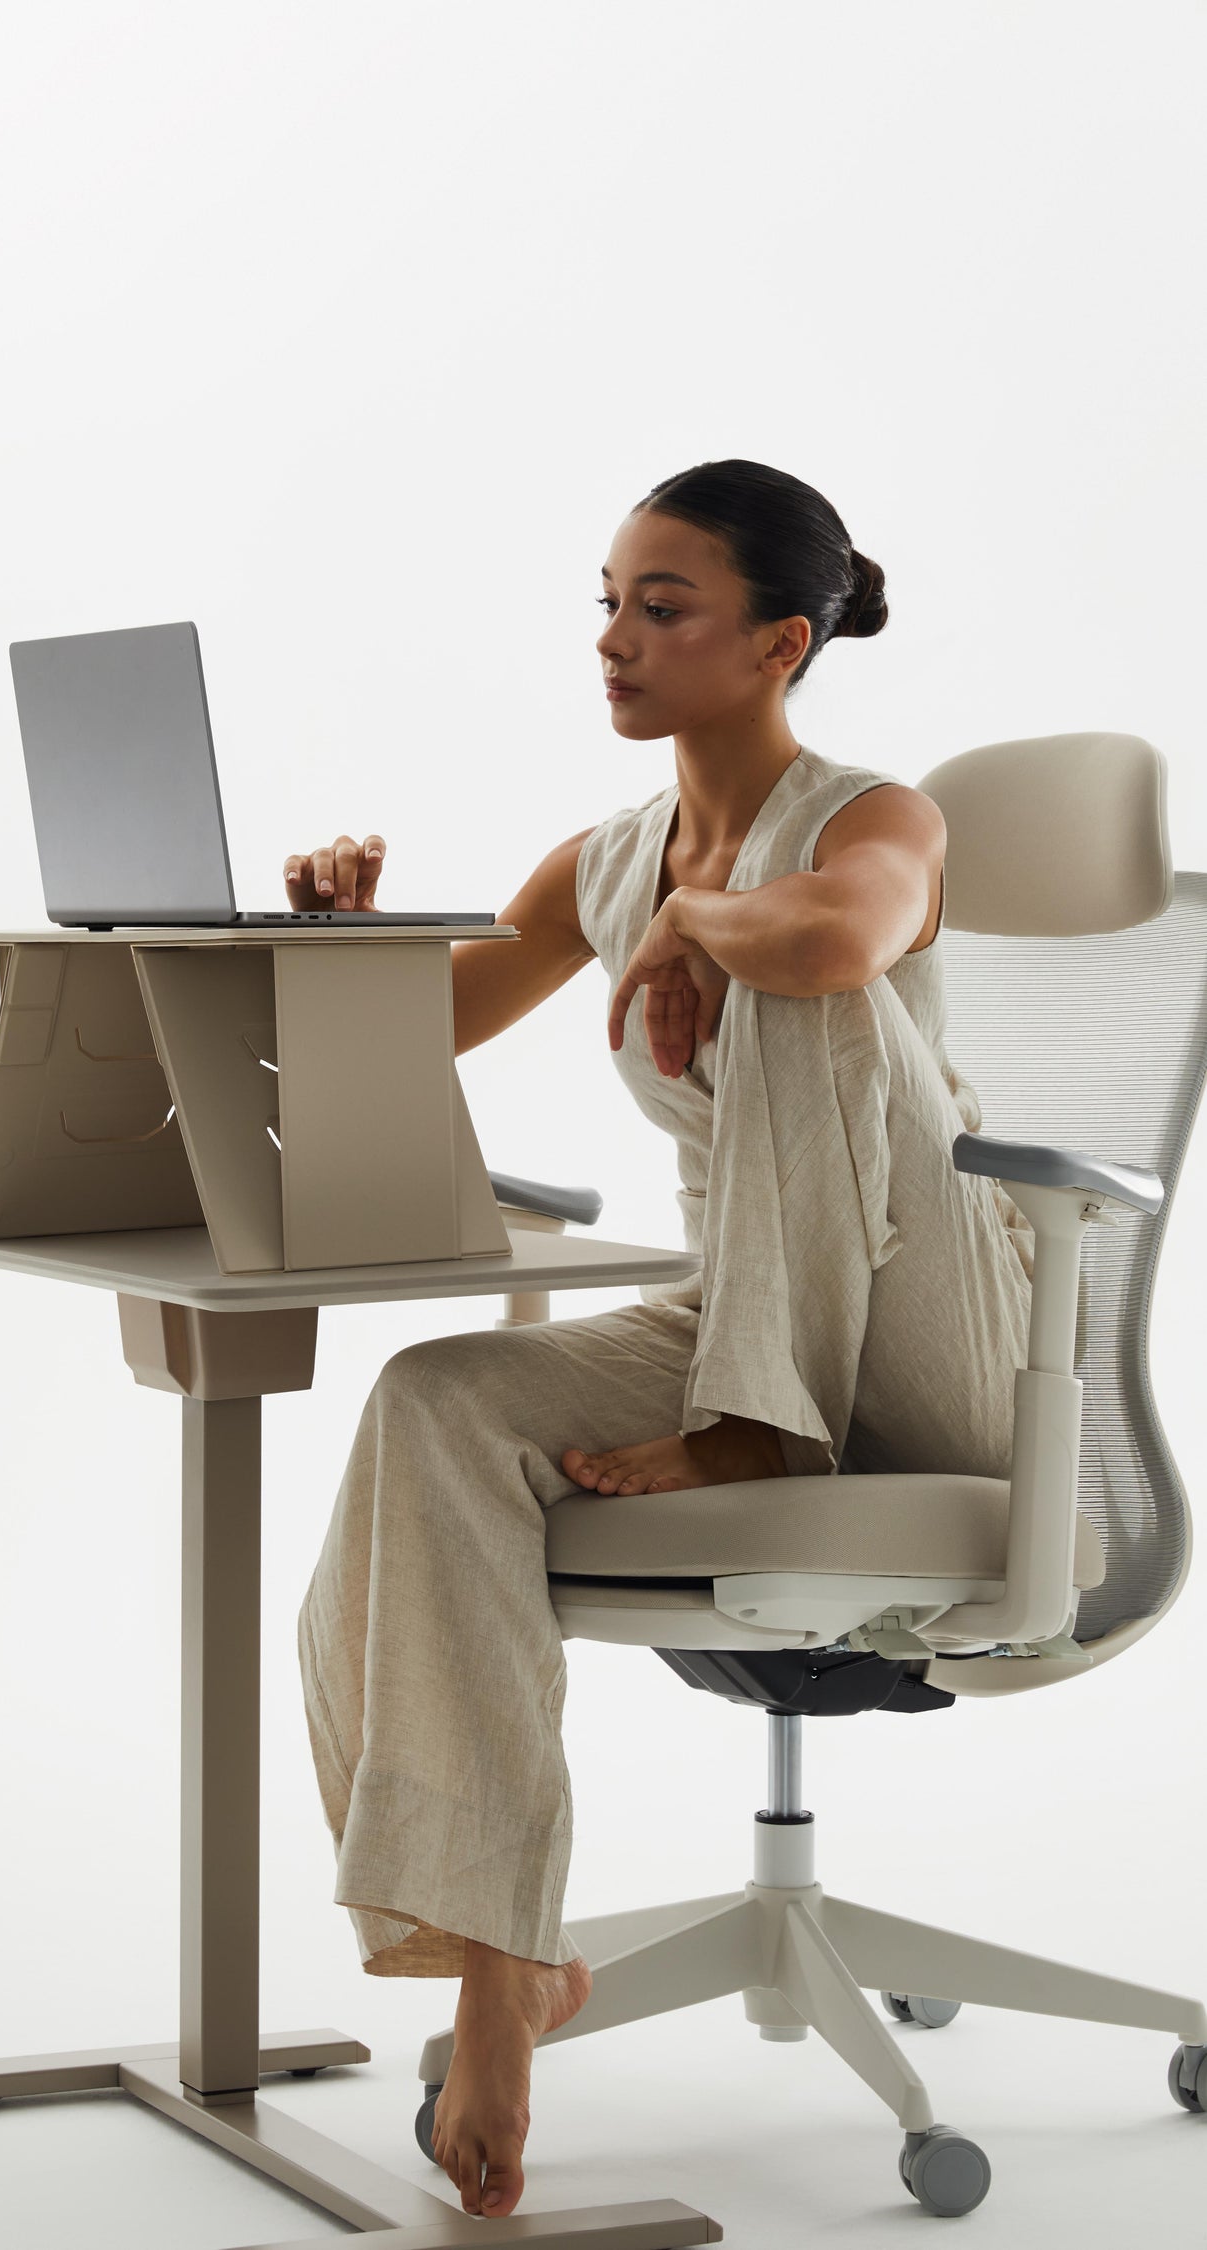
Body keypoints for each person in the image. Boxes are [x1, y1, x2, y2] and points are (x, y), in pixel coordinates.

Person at [282, 458, 1035, 2220]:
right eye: (607, 602)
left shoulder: (882, 820)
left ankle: (764, 1425)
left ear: (782, 641)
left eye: (662, 607)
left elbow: (845, 940)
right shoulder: (606, 860)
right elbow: (414, 1040)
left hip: (941, 1322)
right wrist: (331, 940)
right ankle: (501, 1961)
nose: (616, 639)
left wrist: (717, 922)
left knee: (801, 975)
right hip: (744, 1308)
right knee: (435, 1406)